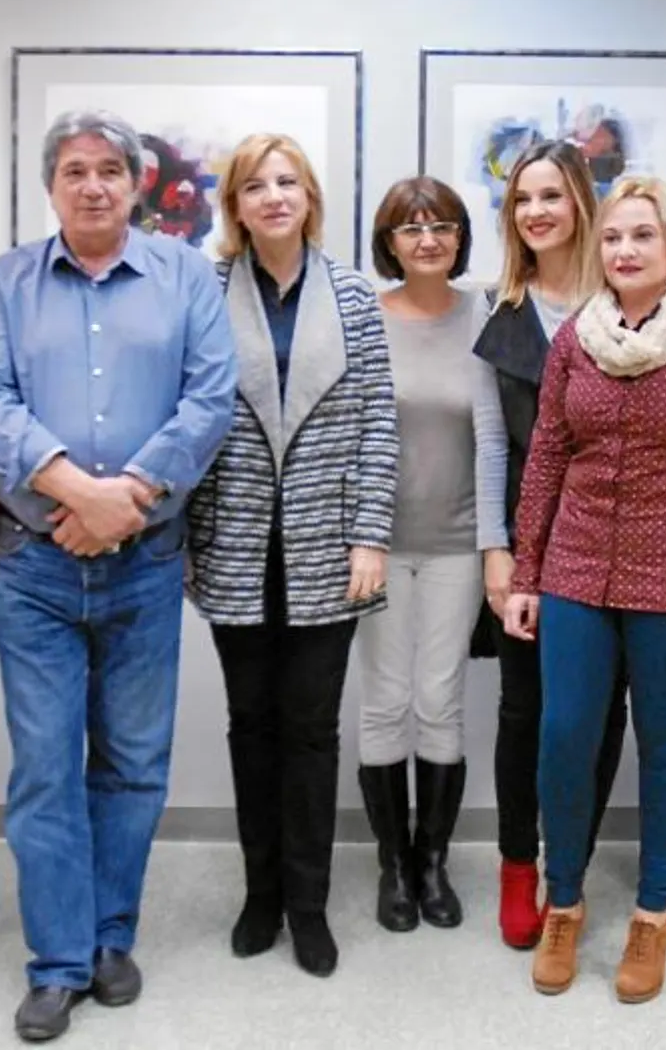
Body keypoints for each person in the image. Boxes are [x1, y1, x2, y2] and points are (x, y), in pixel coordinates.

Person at [0, 110, 235, 1044]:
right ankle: (58, 962)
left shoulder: (187, 275)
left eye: (110, 169)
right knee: (43, 770)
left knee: (132, 765)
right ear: (52, 186)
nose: (93, 185)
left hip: (146, 565)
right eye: (74, 170)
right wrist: (80, 489)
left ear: (137, 183)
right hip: (34, 566)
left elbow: (209, 396)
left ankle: (112, 936)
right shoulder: (5, 283)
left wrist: (132, 496)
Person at [504, 175, 666, 1005]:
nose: (624, 251)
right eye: (613, 238)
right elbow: (545, 456)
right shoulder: (576, 337)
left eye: (641, 236)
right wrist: (526, 572)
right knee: (565, 737)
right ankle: (566, 902)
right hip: (577, 570)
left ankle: (653, 912)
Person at [186, 132, 398, 979]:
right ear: (234, 204)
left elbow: (379, 416)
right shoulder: (201, 292)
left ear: (309, 195)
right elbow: (187, 414)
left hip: (329, 548)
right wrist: (185, 537)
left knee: (311, 730)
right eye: (254, 186)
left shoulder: (352, 293)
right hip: (233, 542)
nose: (273, 196)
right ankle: (259, 894)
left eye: (288, 182)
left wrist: (371, 534)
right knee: (250, 727)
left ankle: (307, 905)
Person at [471, 140, 629, 950]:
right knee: (525, 711)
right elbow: (492, 445)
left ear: (580, 204)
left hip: (619, 543)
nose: (535, 211)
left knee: (600, 717)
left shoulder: (629, 300)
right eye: (521, 199)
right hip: (529, 548)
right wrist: (496, 552)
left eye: (550, 196)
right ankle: (515, 867)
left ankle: (569, 864)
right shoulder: (496, 311)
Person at [352, 176, 505, 934]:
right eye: (410, 228)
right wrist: (359, 537)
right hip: (375, 545)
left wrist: (495, 546)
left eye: (442, 225)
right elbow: (348, 434)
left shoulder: (487, 314)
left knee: (439, 696)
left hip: (457, 544)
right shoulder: (362, 319)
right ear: (389, 241)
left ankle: (432, 859)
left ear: (459, 236)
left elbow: (498, 438)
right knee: (385, 698)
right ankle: (391, 864)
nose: (428, 240)